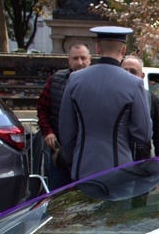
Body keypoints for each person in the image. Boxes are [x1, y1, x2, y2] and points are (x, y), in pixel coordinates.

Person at [59, 27, 152, 181]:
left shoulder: (75, 79)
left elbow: (66, 130)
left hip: (83, 166)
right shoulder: (134, 83)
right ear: (123, 50)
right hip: (120, 167)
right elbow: (144, 133)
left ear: (97, 49)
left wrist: (72, 161)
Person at [35, 42, 90, 189]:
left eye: (83, 58)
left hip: (88, 155)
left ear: (90, 59)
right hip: (60, 155)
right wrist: (48, 132)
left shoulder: (96, 83)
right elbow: (42, 109)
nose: (80, 62)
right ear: (68, 60)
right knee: (59, 198)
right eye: (75, 58)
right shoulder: (55, 81)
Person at [121, 55, 159, 156]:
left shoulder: (151, 99)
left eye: (133, 72)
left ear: (142, 76)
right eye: (124, 71)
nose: (128, 75)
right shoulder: (112, 97)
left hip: (142, 160)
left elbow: (158, 132)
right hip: (118, 159)